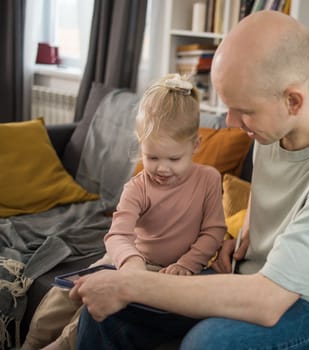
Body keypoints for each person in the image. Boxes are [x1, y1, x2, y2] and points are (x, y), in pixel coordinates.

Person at [72, 10, 309, 350]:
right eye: (228, 107)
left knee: (208, 343)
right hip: (252, 277)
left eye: (243, 110)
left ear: (293, 100)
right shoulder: (273, 128)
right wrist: (246, 236)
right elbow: (271, 192)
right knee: (105, 312)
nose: (231, 121)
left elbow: (269, 300)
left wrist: (129, 284)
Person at [20, 73, 226, 350]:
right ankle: (31, 343)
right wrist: (131, 263)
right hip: (129, 262)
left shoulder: (209, 179)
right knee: (64, 294)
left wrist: (187, 264)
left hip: (169, 273)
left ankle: (61, 346)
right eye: (151, 157)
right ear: (140, 145)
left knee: (95, 310)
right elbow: (118, 234)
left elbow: (214, 231)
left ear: (196, 145)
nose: (162, 168)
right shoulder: (137, 187)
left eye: (174, 159)